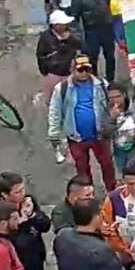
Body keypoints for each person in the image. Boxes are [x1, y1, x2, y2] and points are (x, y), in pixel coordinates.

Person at [48, 55, 118, 191]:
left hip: (99, 134)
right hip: (76, 137)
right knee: (82, 167)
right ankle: (87, 193)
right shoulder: (62, 88)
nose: (84, 73)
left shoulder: (102, 85)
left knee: (107, 165)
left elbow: (112, 105)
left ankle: (112, 191)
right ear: (72, 70)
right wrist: (54, 133)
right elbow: (55, 112)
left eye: (87, 69)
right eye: (80, 70)